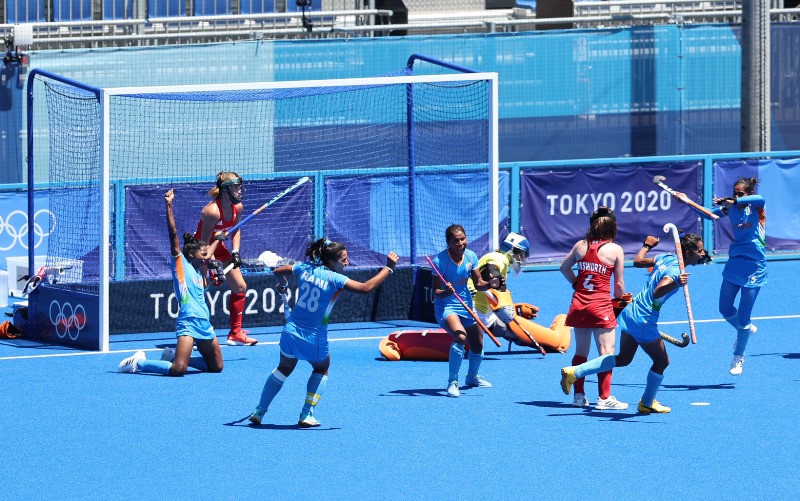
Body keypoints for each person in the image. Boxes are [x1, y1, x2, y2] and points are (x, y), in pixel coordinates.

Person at [249, 238, 398, 427]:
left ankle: (260, 410)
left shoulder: (304, 268)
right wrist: (389, 268)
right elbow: (366, 288)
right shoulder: (335, 279)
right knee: (322, 368)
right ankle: (307, 414)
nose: (347, 262)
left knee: (284, 368)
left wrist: (283, 285)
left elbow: (278, 272)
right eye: (343, 259)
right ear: (332, 261)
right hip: (314, 337)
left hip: (290, 332)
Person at [560, 232, 711, 414]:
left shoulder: (665, 257)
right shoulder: (676, 272)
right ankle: (647, 402)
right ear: (686, 252)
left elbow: (638, 261)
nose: (702, 254)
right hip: (644, 318)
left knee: (623, 359)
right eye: (699, 251)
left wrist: (647, 247)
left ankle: (575, 372)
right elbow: (657, 292)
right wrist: (677, 282)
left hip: (630, 312)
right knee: (662, 361)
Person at [118, 189, 225, 377]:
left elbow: (203, 277)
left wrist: (217, 240)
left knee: (217, 366)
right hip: (188, 322)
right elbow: (173, 234)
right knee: (178, 369)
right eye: (203, 253)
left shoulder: (199, 273)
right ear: (191, 253)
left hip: (204, 323)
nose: (207, 255)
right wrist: (169, 205)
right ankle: (138, 362)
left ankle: (173, 356)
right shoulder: (180, 264)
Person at [676, 177, 766, 375]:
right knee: (725, 308)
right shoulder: (731, 209)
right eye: (734, 193)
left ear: (749, 194)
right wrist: (687, 201)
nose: (736, 196)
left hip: (754, 267)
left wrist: (733, 201)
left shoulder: (757, 207)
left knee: (744, 318)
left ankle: (738, 355)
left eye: (740, 194)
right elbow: (709, 214)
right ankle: (746, 330)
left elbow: (760, 198)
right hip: (735, 263)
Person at [560, 206, 628, 410]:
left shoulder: (580, 246)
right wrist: (621, 301)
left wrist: (576, 283)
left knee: (581, 351)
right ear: (612, 227)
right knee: (606, 352)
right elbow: (619, 285)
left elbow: (564, 268)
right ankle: (604, 398)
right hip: (600, 306)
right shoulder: (615, 249)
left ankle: (578, 396)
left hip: (579, 304)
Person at [195, 171, 257, 346]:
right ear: (226, 190)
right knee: (200, 292)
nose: (240, 190)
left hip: (219, 248)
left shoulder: (238, 207)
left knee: (240, 287)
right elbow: (204, 244)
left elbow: (236, 230)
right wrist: (212, 265)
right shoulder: (212, 211)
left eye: (240, 187)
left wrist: (236, 251)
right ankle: (194, 334)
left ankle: (235, 333)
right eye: (236, 187)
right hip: (200, 251)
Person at [432, 224, 493, 398]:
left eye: (462, 239)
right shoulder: (439, 261)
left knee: (478, 343)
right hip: (446, 307)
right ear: (449, 243)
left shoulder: (471, 256)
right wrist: (446, 292)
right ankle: (452, 382)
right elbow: (435, 293)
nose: (460, 243)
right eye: (455, 241)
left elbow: (479, 284)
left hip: (466, 305)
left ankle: (472, 378)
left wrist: (491, 284)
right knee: (460, 336)